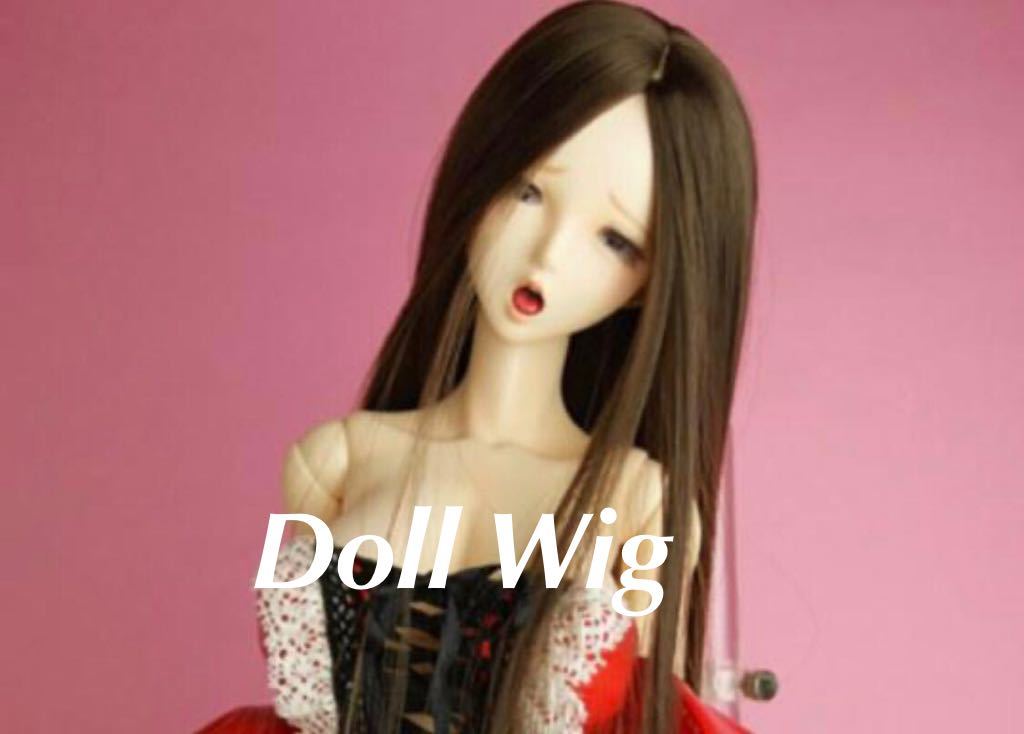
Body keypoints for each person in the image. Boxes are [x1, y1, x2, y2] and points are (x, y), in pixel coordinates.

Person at [199, 1, 758, 731]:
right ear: (480, 170)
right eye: (528, 191)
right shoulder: (335, 462)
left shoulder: (639, 503)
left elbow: (651, 716)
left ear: (651, 284)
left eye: (616, 240)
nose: (548, 254)